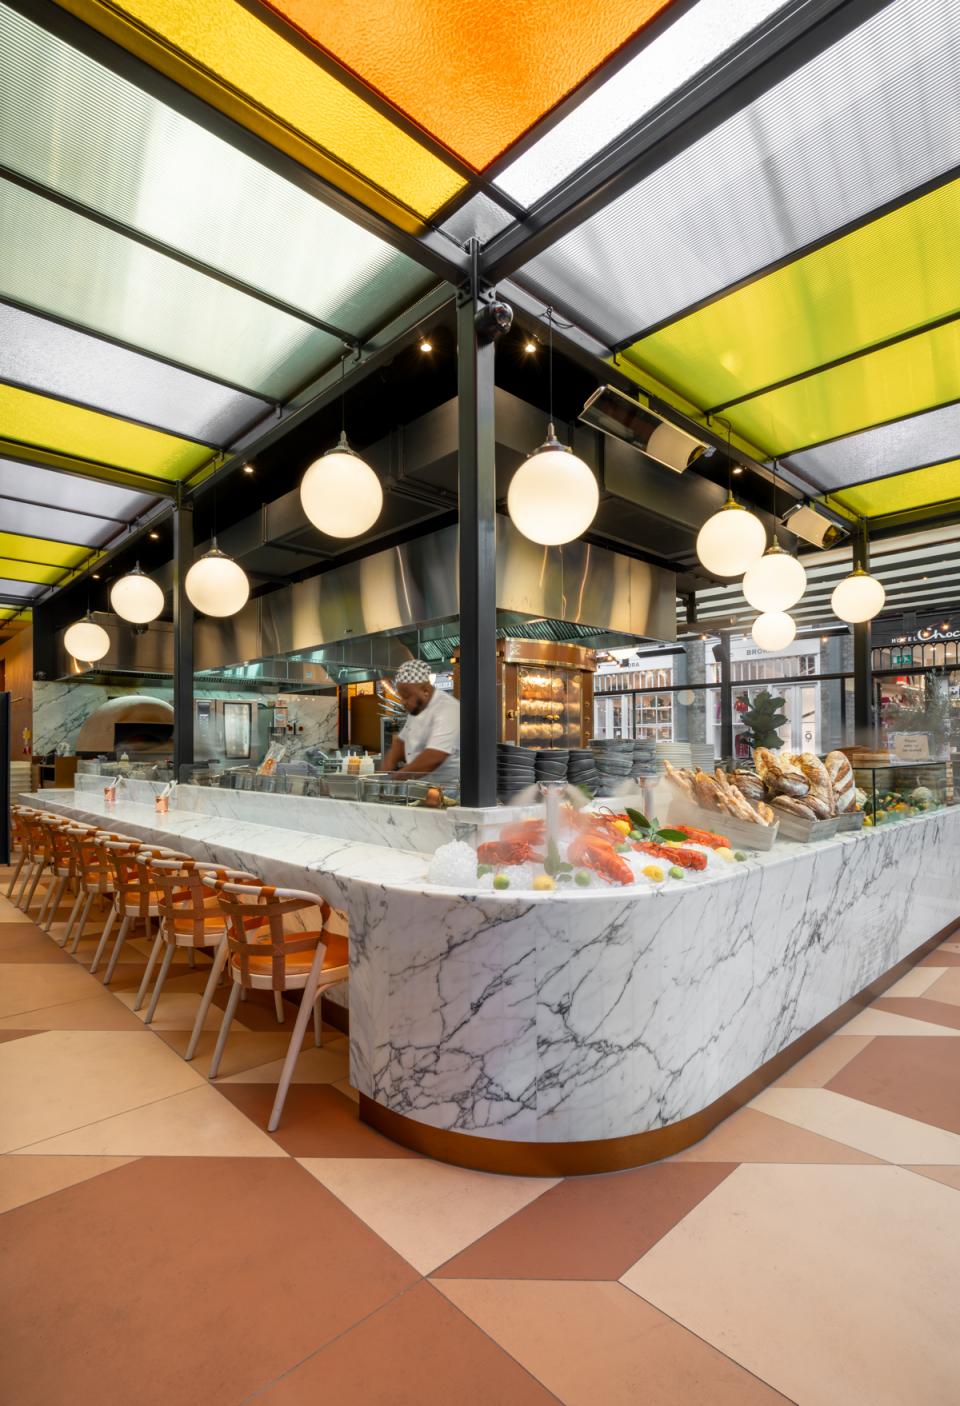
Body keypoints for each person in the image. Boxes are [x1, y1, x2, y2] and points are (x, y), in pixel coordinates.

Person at [380, 659, 460, 782]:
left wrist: (397, 778)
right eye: (401, 697)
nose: (403, 702)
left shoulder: (448, 708)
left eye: (406, 696)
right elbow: (400, 742)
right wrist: (385, 771)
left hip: (448, 788)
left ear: (425, 691)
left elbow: (434, 757)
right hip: (422, 785)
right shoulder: (417, 709)